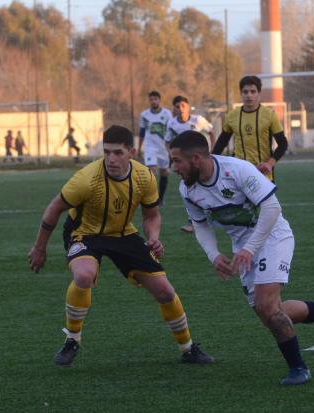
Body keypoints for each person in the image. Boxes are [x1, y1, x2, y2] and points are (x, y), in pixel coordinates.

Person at [168, 130, 314, 386]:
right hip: (244, 248)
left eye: (177, 160)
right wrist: (214, 255)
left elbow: (271, 208)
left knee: (267, 307)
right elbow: (200, 225)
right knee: (269, 312)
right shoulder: (187, 189)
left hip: (272, 237)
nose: (173, 167)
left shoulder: (237, 170)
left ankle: (298, 369)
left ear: (197, 158)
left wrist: (249, 249)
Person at [28, 125, 214, 367]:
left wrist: (154, 237)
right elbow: (54, 209)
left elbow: (151, 216)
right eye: (106, 152)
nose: (111, 159)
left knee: (166, 291)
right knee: (84, 275)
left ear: (132, 152)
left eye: (117, 153)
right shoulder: (86, 178)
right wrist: (39, 248)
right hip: (84, 234)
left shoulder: (144, 176)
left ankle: (188, 348)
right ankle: (72, 339)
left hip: (123, 234)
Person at [212, 75, 289, 182]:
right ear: (241, 93)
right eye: (245, 92)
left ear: (259, 93)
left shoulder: (269, 114)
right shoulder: (232, 115)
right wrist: (210, 161)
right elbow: (221, 142)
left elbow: (283, 143)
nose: (249, 95)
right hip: (238, 172)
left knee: (265, 199)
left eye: (253, 91)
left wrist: (269, 163)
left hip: (263, 173)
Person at [164, 95, 214, 233]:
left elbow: (211, 132)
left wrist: (213, 151)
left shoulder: (198, 120)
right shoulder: (172, 123)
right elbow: (167, 141)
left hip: (200, 161)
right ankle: (194, 221)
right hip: (185, 165)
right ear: (174, 109)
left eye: (183, 106)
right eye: (177, 106)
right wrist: (172, 155)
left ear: (188, 107)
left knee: (204, 186)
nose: (180, 109)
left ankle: (203, 218)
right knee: (191, 189)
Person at [138, 91, 173, 206]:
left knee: (164, 173)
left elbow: (171, 131)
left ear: (159, 100)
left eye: (155, 99)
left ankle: (161, 198)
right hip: (150, 147)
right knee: (150, 172)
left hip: (163, 148)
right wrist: (139, 148)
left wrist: (172, 148)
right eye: (151, 99)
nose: (153, 101)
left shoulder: (167, 114)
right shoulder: (144, 115)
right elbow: (142, 132)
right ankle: (151, 198)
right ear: (149, 101)